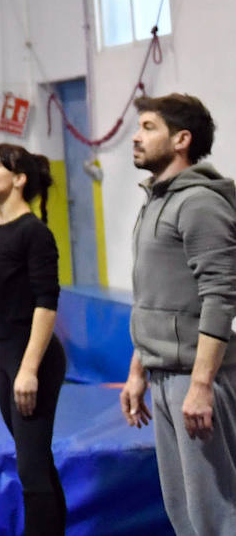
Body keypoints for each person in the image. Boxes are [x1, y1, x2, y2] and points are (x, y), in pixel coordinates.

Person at [121, 93, 236, 536]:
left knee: (215, 511)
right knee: (184, 510)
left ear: (181, 139)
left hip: (199, 377)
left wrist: (203, 384)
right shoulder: (155, 203)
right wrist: (138, 369)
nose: (136, 137)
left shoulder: (201, 204)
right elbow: (154, 295)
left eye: (148, 127)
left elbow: (221, 298)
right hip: (164, 374)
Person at [0, 144, 67, 534]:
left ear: (19, 179)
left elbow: (46, 303)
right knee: (36, 460)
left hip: (36, 358)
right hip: (7, 357)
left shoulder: (35, 233)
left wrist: (29, 370)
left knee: (30, 466)